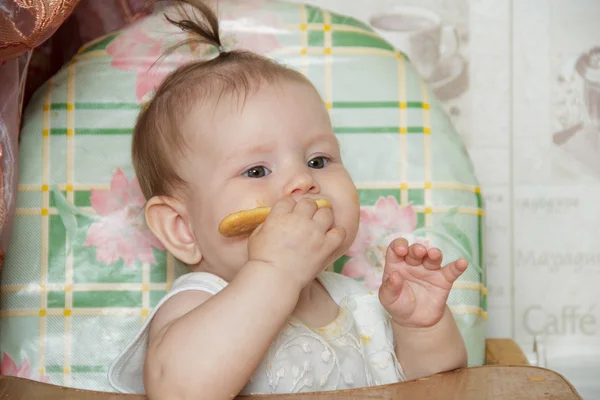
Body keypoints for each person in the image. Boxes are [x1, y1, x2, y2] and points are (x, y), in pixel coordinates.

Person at [108, 1, 469, 398]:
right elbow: (180, 391)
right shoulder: (195, 304)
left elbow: (435, 387)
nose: (302, 180)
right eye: (257, 171)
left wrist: (420, 327)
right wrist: (275, 271)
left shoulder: (360, 304)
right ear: (181, 228)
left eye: (318, 160)